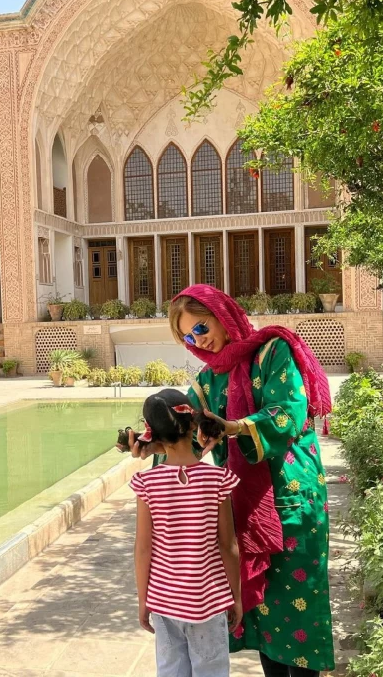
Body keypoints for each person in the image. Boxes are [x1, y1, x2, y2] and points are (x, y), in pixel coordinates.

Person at [124, 285, 335, 677]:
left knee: (298, 613)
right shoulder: (207, 379)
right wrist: (149, 445)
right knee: (264, 613)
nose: (197, 340)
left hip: (291, 497)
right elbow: (186, 428)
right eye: (187, 336)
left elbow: (290, 411)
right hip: (247, 507)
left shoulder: (272, 352)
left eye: (201, 327)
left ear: (223, 314)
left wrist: (235, 427)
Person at [129, 389, 243, 677]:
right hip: (210, 599)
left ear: (151, 434)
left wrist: (144, 600)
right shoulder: (218, 480)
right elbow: (228, 546)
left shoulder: (147, 483)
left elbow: (143, 549)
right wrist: (236, 597)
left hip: (164, 600)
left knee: (172, 671)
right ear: (194, 425)